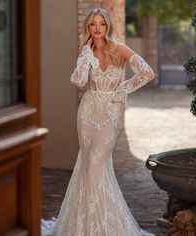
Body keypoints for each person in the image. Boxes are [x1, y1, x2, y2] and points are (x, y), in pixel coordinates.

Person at [41, 8, 155, 236]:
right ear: (88, 27)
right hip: (88, 112)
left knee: (95, 166)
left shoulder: (119, 48)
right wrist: (85, 58)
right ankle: (85, 225)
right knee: (86, 166)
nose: (97, 28)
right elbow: (78, 80)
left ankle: (105, 226)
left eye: (101, 24)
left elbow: (147, 72)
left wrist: (123, 89)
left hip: (110, 113)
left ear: (108, 26)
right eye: (93, 24)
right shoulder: (87, 50)